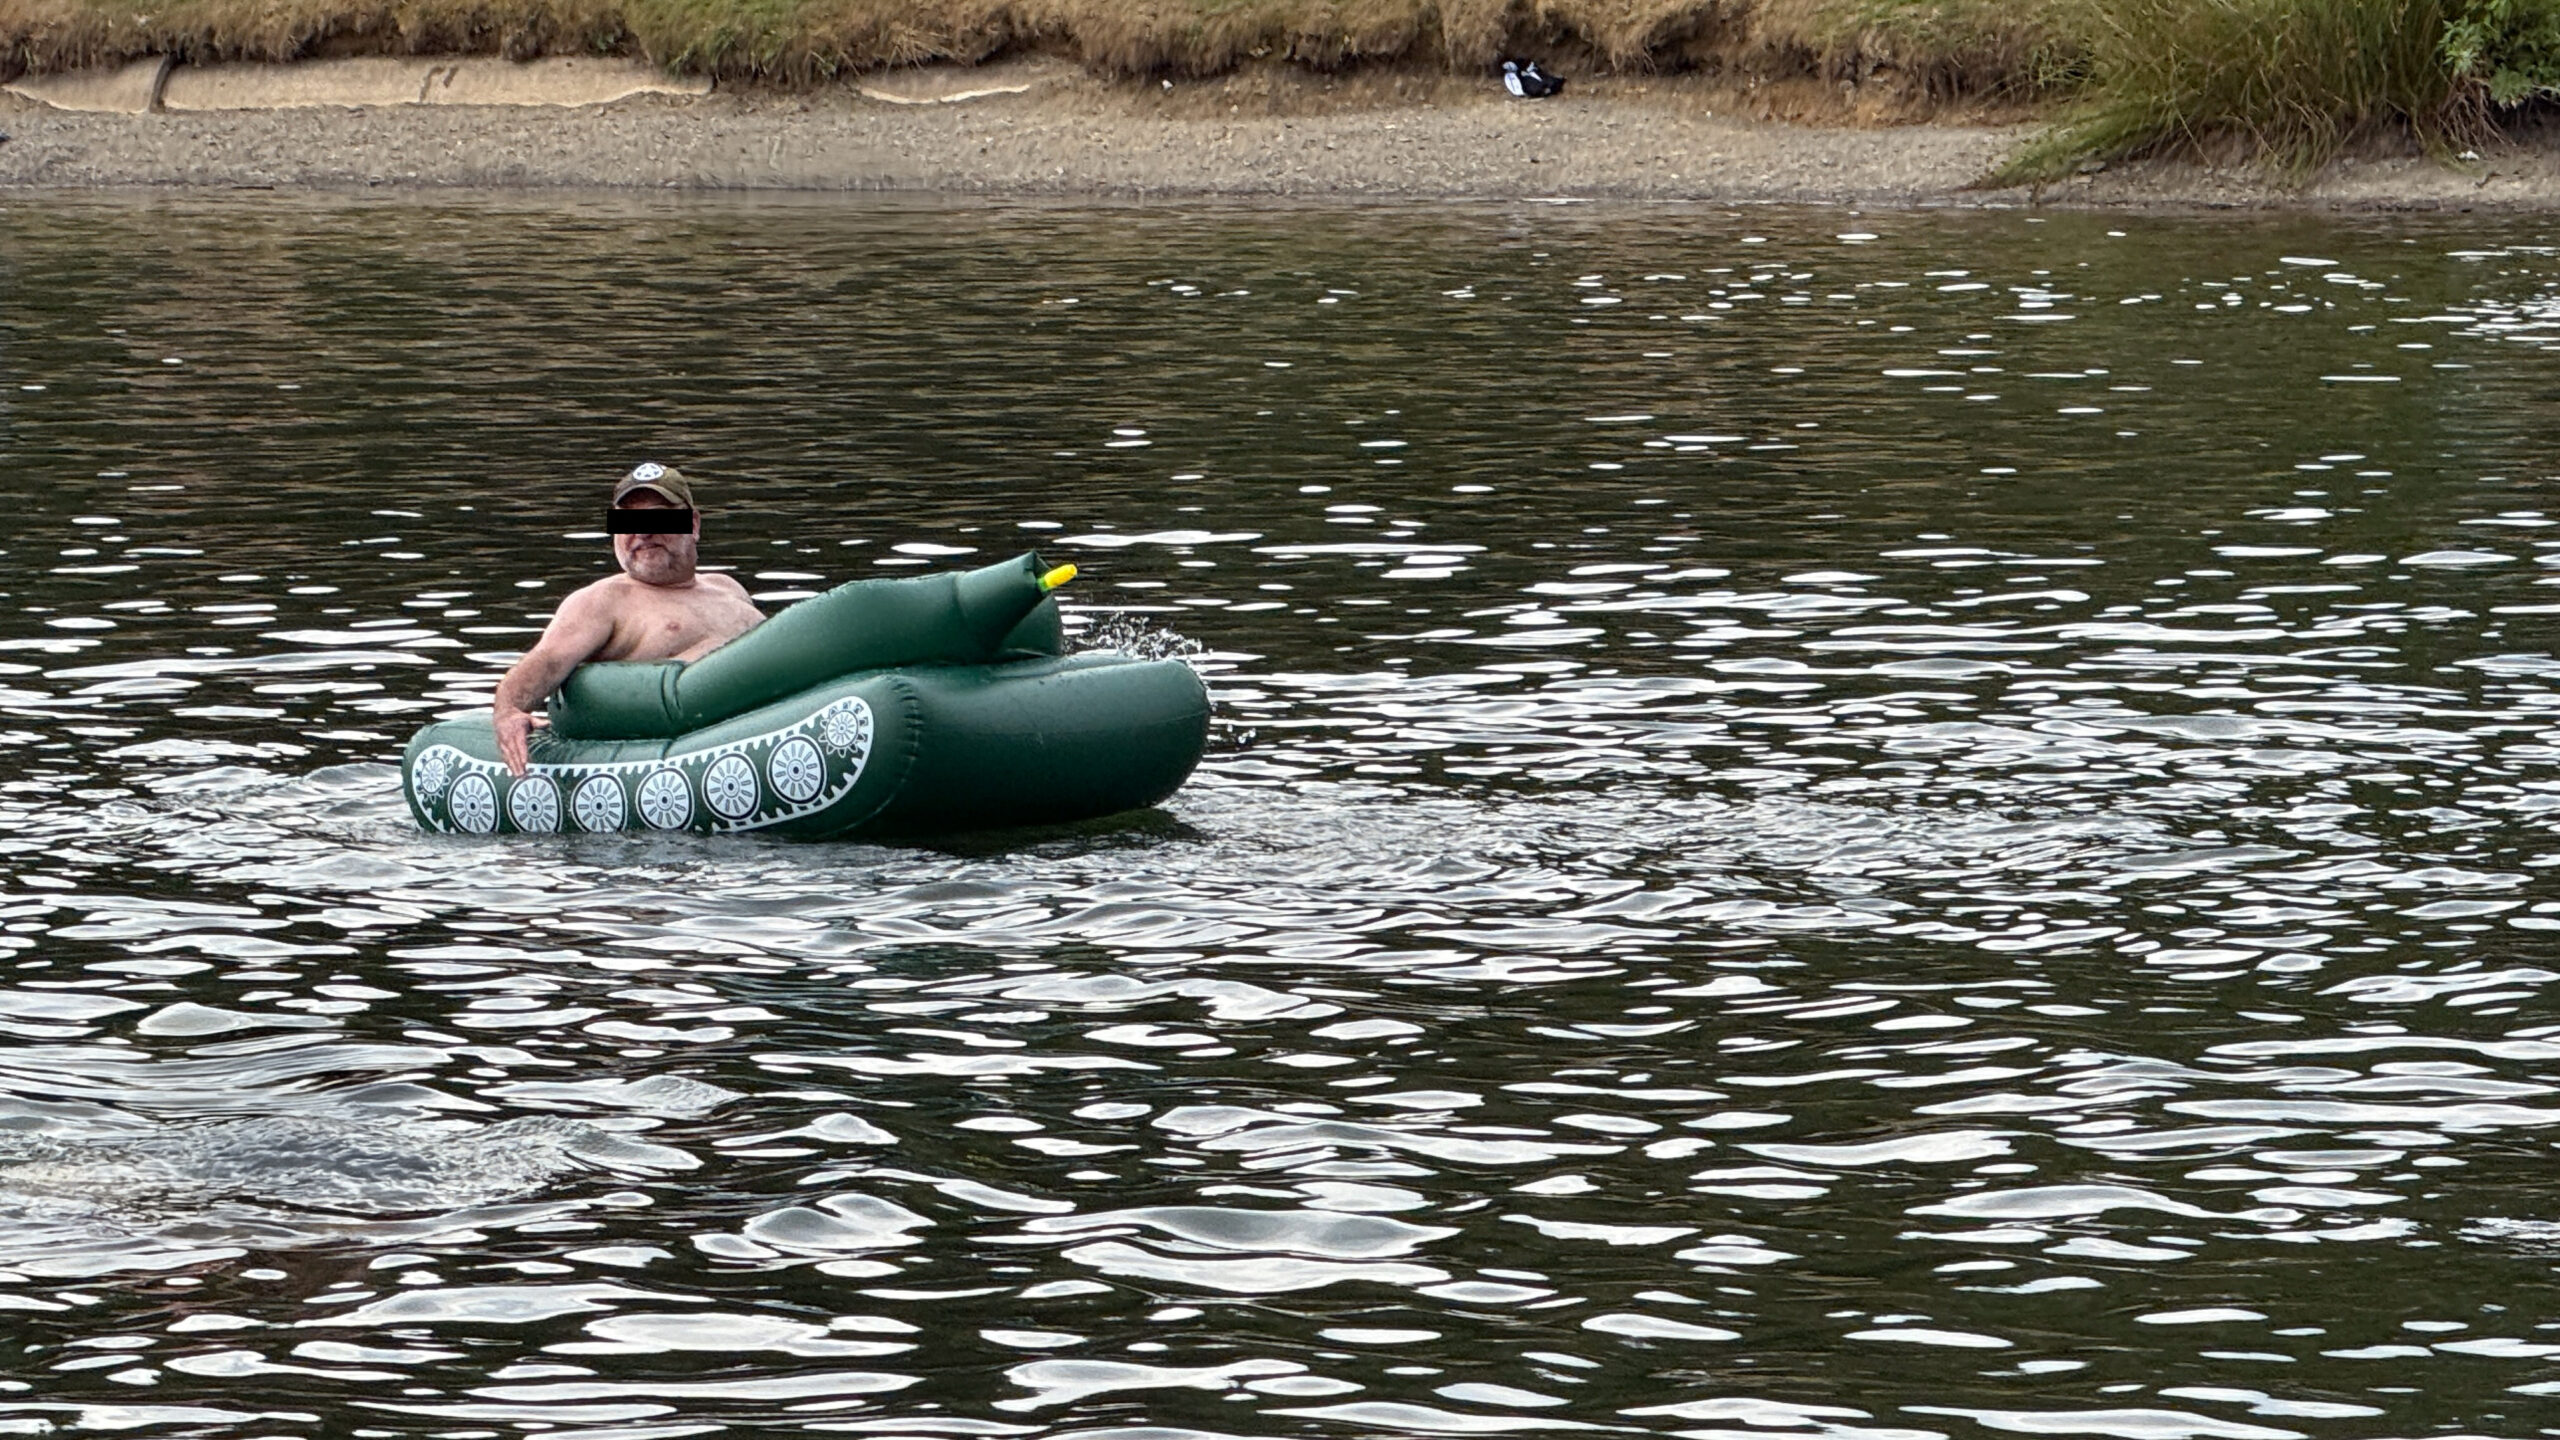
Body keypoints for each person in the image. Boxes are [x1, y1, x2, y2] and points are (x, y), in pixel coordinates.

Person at [491, 464, 766, 776]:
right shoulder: (604, 601)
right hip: (679, 755)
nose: (643, 533)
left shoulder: (729, 588)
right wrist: (510, 710)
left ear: (693, 524)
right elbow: (549, 659)